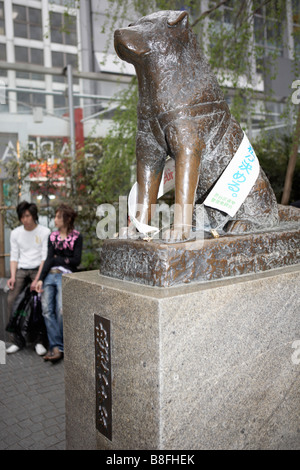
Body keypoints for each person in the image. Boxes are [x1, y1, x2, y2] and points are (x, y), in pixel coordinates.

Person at [36, 204, 83, 363]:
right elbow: (50, 259)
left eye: (58, 216)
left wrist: (58, 259)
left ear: (67, 219)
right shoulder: (52, 237)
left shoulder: (77, 236)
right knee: (47, 311)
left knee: (61, 309)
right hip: (50, 275)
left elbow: (76, 261)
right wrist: (40, 278)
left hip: (65, 275)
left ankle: (62, 346)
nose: (55, 220)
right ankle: (56, 347)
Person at [6, 201, 50, 355]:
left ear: (34, 216)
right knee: (12, 299)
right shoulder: (16, 233)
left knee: (39, 301)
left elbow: (45, 257)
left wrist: (38, 278)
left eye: (27, 216)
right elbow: (14, 256)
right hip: (21, 270)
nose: (25, 219)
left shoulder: (44, 231)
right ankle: (17, 340)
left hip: (38, 269)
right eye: (22, 216)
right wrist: (12, 276)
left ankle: (39, 341)